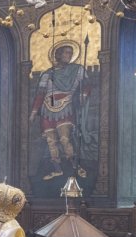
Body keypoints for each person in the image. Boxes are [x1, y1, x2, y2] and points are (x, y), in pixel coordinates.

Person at [29, 43, 90, 180]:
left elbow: (86, 85)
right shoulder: (47, 74)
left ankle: (76, 167)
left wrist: (83, 95)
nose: (68, 55)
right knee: (51, 142)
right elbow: (40, 94)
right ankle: (57, 170)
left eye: (70, 53)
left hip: (65, 107)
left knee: (64, 139)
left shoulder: (77, 70)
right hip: (47, 110)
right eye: (66, 52)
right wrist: (33, 112)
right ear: (59, 55)